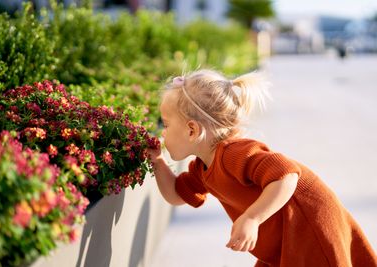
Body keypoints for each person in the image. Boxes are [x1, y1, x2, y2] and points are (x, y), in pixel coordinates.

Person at [147, 69, 377, 267]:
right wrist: (157, 162)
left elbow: (287, 176)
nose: (163, 132)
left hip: (308, 227)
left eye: (166, 124)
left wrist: (252, 218)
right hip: (282, 239)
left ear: (192, 130)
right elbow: (177, 194)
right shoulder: (202, 167)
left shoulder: (234, 153)